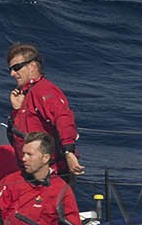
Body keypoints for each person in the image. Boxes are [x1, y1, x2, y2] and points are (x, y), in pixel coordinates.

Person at [6, 43, 84, 182]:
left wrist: (69, 152)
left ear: (32, 66)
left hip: (50, 174)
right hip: (31, 171)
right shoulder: (27, 93)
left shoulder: (44, 90)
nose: (12, 73)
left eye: (16, 68)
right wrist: (17, 110)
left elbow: (63, 118)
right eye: (10, 69)